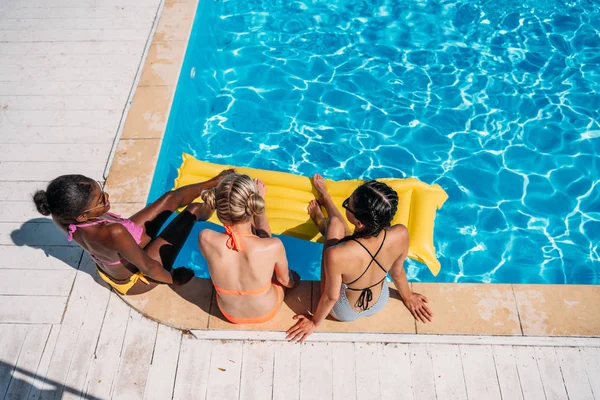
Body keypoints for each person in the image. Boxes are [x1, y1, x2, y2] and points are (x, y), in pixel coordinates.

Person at [33, 171, 234, 295]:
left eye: (102, 191)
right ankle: (214, 202)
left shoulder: (60, 214)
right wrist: (174, 278)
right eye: (100, 201)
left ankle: (213, 184)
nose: (107, 197)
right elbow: (149, 267)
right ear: (83, 217)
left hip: (122, 251)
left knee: (171, 197)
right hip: (135, 279)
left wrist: (213, 182)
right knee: (194, 210)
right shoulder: (114, 232)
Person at [286, 174, 433, 342]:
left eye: (348, 204)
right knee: (352, 240)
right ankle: (326, 199)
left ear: (360, 223)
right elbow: (397, 273)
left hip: (345, 310)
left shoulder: (336, 254)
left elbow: (330, 297)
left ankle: (321, 219)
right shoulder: (401, 233)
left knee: (334, 225)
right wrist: (408, 297)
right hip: (379, 301)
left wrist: (314, 322)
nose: (347, 204)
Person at [199, 173, 300, 324]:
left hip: (229, 313)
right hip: (265, 312)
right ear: (254, 204)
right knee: (269, 259)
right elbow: (286, 281)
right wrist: (295, 281)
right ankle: (259, 213)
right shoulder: (273, 246)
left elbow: (234, 245)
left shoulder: (205, 238)